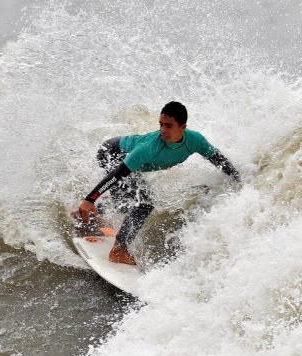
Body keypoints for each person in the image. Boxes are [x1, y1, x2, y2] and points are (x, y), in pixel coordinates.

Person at [77, 101, 241, 265]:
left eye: (169, 126)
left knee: (127, 205)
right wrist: (90, 199)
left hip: (122, 159)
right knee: (144, 204)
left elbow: (217, 158)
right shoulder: (148, 148)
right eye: (161, 125)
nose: (163, 130)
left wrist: (237, 179)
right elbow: (116, 175)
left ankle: (91, 214)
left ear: (182, 127)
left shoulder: (195, 140)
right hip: (111, 154)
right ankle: (118, 250)